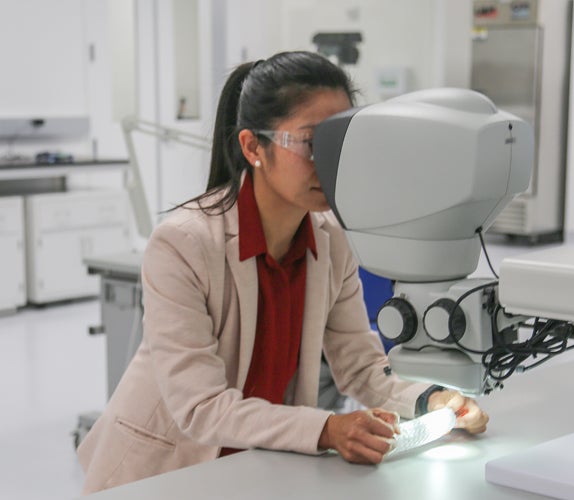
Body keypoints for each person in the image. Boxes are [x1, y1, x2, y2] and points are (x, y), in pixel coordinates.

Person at [77, 51, 489, 494]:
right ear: (254, 147)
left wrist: (431, 400)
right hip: (166, 470)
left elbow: (361, 367)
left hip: (259, 464)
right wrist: (328, 429)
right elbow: (200, 407)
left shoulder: (331, 241)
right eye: (312, 144)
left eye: (340, 146)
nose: (329, 166)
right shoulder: (183, 243)